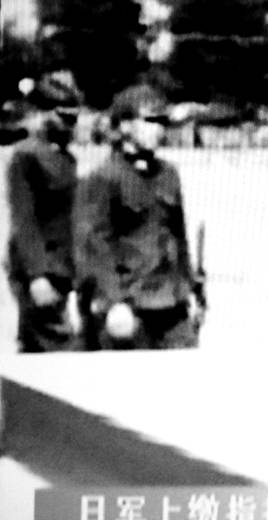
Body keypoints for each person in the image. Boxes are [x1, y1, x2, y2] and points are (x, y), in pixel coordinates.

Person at [74, 84, 201, 350]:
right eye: (150, 121)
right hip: (129, 305)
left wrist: (191, 288)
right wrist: (114, 301)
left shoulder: (168, 174)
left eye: (162, 122)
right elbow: (94, 247)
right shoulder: (103, 178)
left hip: (171, 303)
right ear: (125, 126)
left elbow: (178, 238)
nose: (159, 129)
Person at [4, 71, 83, 353]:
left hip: (61, 267)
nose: (71, 124)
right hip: (40, 268)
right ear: (44, 113)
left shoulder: (66, 157)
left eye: (74, 117)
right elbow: (24, 220)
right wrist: (37, 275)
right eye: (64, 117)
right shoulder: (26, 156)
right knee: (61, 348)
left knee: (37, 350)